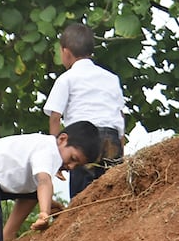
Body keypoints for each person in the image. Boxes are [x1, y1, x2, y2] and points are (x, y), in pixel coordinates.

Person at [44, 22, 126, 198]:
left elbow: (55, 117)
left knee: (82, 199)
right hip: (112, 140)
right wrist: (121, 150)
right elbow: (120, 116)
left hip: (83, 141)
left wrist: (55, 156)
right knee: (113, 194)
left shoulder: (66, 79)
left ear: (65, 52)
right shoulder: (111, 78)